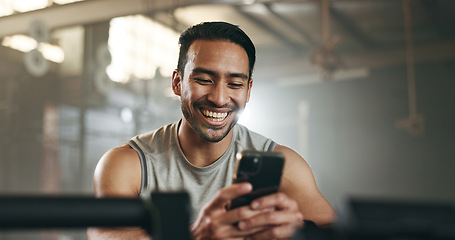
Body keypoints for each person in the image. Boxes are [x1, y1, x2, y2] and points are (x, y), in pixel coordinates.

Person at [88, 21, 335, 240]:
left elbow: (335, 231)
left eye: (235, 84)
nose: (219, 99)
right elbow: (104, 234)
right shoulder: (128, 164)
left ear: (248, 90)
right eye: (204, 80)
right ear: (177, 82)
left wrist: (296, 232)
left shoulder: (285, 165)